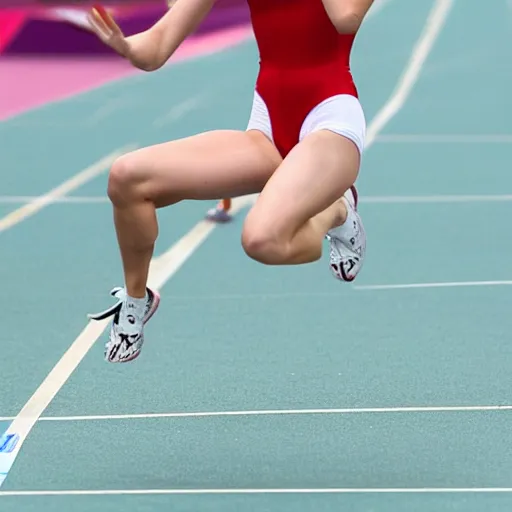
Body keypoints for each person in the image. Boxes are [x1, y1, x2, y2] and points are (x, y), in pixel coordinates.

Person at [88, 0, 371, 363]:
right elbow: (155, 48)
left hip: (329, 122)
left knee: (262, 241)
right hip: (267, 128)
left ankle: (335, 210)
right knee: (126, 178)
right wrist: (126, 46)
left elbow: (346, 18)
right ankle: (136, 300)